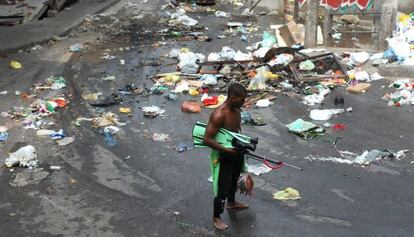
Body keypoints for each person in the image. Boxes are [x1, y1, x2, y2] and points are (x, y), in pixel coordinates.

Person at [203, 83, 249, 230]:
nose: (244, 102)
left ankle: (232, 202)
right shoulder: (219, 114)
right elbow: (207, 139)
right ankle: (216, 217)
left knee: (235, 179)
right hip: (224, 154)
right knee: (222, 186)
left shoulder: (237, 109)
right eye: (241, 100)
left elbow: (236, 129)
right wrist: (226, 150)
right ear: (232, 97)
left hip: (236, 151)